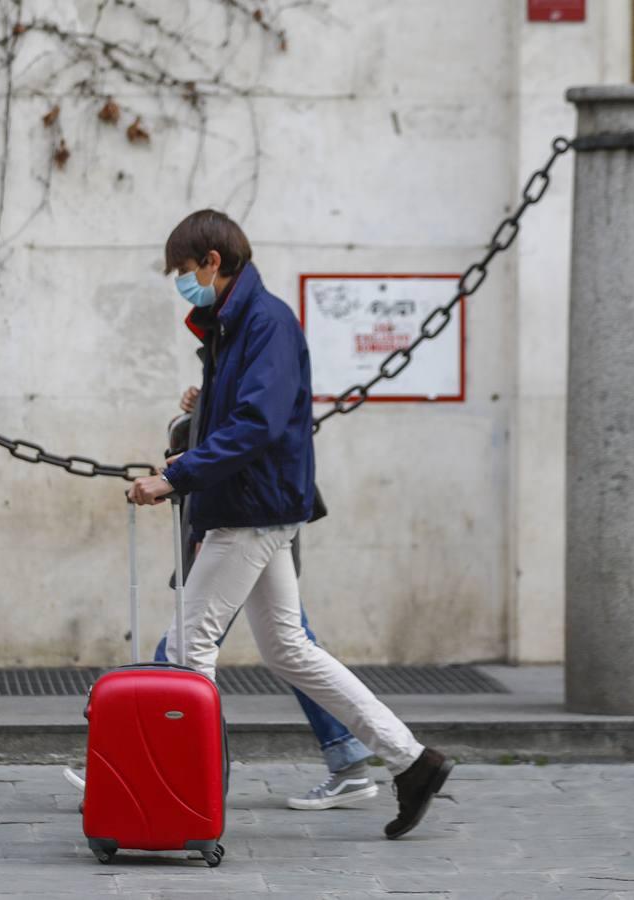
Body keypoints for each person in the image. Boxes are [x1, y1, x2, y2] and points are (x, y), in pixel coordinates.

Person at [126, 209, 454, 840]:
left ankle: (187, 799)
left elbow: (258, 424)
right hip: (258, 505)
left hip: (250, 511)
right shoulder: (236, 324)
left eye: (186, 272)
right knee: (288, 648)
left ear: (213, 263)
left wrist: (178, 475)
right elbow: (248, 413)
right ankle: (411, 760)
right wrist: (203, 404)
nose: (182, 285)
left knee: (187, 650)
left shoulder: (265, 322)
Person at [65, 407, 381, 812]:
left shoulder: (254, 358)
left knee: (180, 656)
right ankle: (351, 757)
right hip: (251, 521)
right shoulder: (230, 365)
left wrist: (199, 529)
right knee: (289, 647)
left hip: (245, 523)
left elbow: (243, 442)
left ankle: (149, 772)